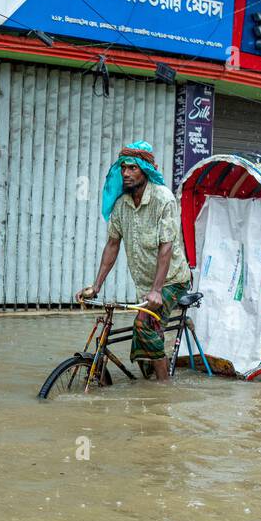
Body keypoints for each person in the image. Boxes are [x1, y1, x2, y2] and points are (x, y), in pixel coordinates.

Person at [75, 141, 192, 382]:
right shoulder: (121, 205)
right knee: (143, 338)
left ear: (145, 170)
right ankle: (148, 376)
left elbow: (166, 247)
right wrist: (96, 285)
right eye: (123, 168)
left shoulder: (163, 200)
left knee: (144, 325)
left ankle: (163, 389)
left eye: (132, 168)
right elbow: (112, 245)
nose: (126, 173)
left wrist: (157, 290)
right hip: (145, 284)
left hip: (171, 280)